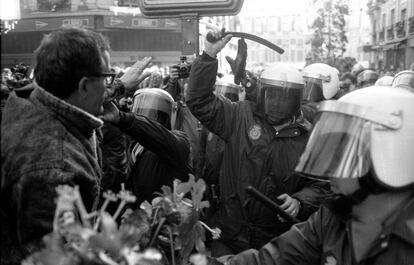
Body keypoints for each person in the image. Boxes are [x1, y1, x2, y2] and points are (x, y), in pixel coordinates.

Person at [214, 85, 414, 265]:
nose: (331, 169)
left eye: (345, 156)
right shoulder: (332, 218)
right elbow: (273, 258)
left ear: (390, 159)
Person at [186, 30, 328, 256]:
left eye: (286, 97)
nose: (278, 104)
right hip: (229, 235)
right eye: (273, 95)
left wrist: (300, 202)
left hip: (276, 244)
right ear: (263, 92)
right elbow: (199, 101)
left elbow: (321, 184)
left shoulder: (308, 137)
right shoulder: (239, 115)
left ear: (297, 99)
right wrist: (209, 56)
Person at [1, 27, 111, 264]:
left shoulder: (30, 102)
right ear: (83, 86)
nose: (109, 88)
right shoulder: (54, 165)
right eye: (107, 78)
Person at [101, 88, 191, 206]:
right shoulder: (132, 146)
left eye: (154, 115)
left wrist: (124, 119)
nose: (143, 116)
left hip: (162, 219)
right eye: (139, 110)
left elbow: (155, 135)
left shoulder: (179, 143)